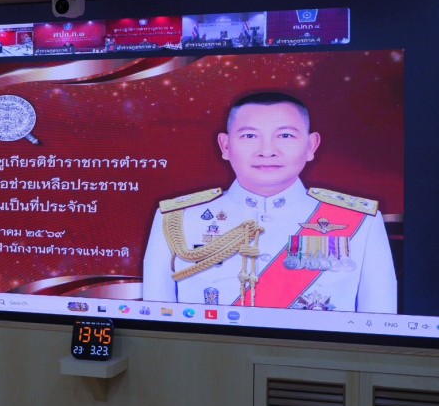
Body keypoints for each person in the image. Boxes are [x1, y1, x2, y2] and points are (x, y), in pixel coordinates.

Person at [142, 92, 397, 313]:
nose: (267, 151)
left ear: (311, 145)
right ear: (225, 146)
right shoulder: (177, 220)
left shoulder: (361, 221)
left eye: (285, 135)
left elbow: (378, 327)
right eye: (249, 136)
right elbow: (158, 328)